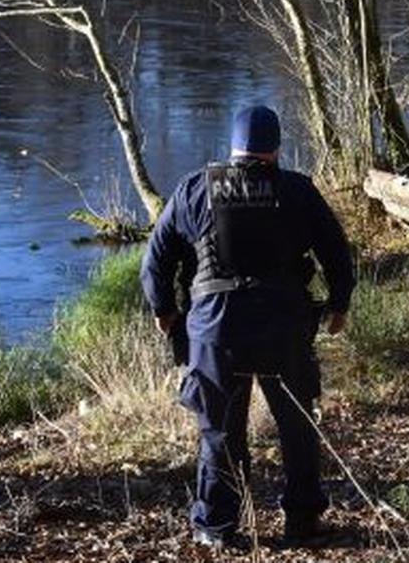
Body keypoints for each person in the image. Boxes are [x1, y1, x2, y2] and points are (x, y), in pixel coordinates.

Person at [140, 105, 355, 550]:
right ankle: (303, 521)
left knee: (219, 431)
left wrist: (165, 311)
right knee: (296, 425)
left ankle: (216, 528)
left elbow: (155, 261)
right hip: (284, 327)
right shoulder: (297, 190)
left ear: (233, 147)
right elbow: (337, 253)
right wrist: (339, 305)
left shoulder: (194, 189)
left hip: (216, 331)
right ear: (275, 150)